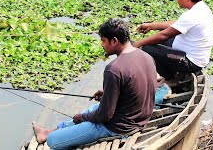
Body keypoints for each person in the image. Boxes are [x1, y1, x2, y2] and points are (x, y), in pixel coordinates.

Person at [32, 18, 157, 149]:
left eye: (103, 41)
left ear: (114, 41)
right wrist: (107, 92)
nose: (102, 45)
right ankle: (46, 132)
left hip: (118, 127)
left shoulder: (114, 69)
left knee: (53, 141)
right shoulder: (146, 56)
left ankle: (51, 135)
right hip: (141, 120)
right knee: (92, 109)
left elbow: (105, 115)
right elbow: (138, 85)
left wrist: (83, 118)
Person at [133, 0, 213, 84]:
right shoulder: (202, 8)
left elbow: (164, 35)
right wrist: (152, 25)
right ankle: (172, 72)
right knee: (156, 41)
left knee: (146, 48)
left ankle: (170, 78)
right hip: (194, 56)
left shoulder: (192, 15)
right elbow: (177, 24)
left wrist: (138, 43)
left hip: (189, 61)